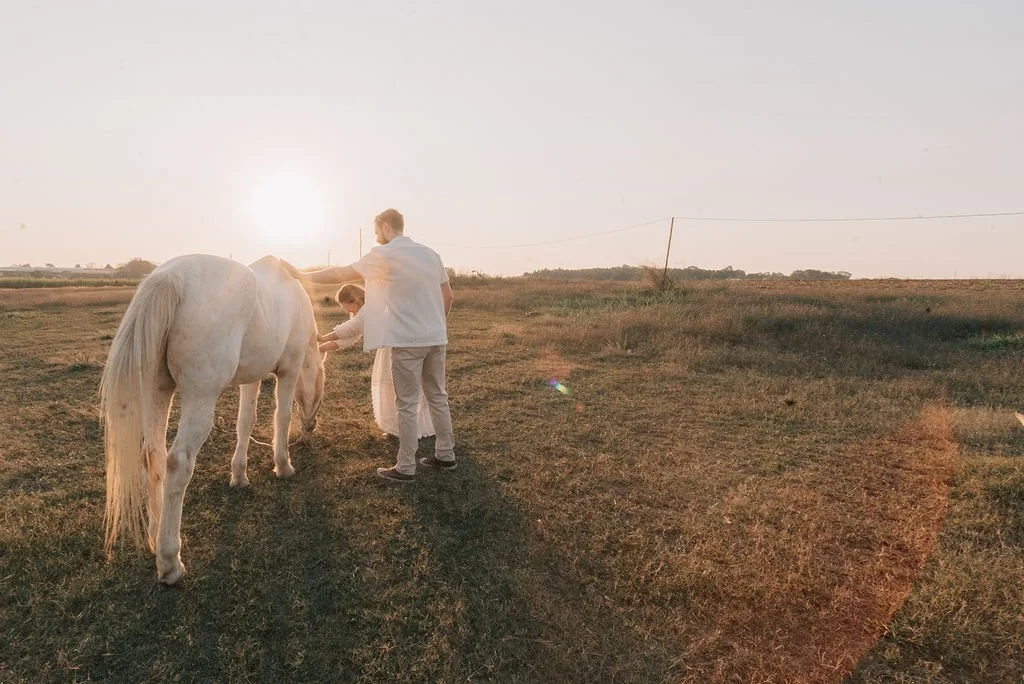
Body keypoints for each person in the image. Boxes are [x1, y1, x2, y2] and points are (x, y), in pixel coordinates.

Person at [295, 208, 455, 482]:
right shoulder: (431, 254)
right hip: (436, 337)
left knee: (406, 402)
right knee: (438, 396)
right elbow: (448, 295)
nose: (375, 236)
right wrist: (436, 324)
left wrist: (302, 275)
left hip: (407, 340)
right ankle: (446, 455)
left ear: (385, 226)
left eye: (376, 230)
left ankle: (405, 467)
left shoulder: (385, 254)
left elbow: (341, 273)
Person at [318, 284, 435, 439]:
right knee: (395, 385)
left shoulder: (371, 307)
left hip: (397, 346)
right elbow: (348, 339)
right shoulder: (363, 312)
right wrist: (320, 348)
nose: (348, 311)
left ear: (353, 301)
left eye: (346, 307)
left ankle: (402, 428)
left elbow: (350, 329)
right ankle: (400, 426)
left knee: (395, 386)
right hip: (390, 347)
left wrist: (322, 338)